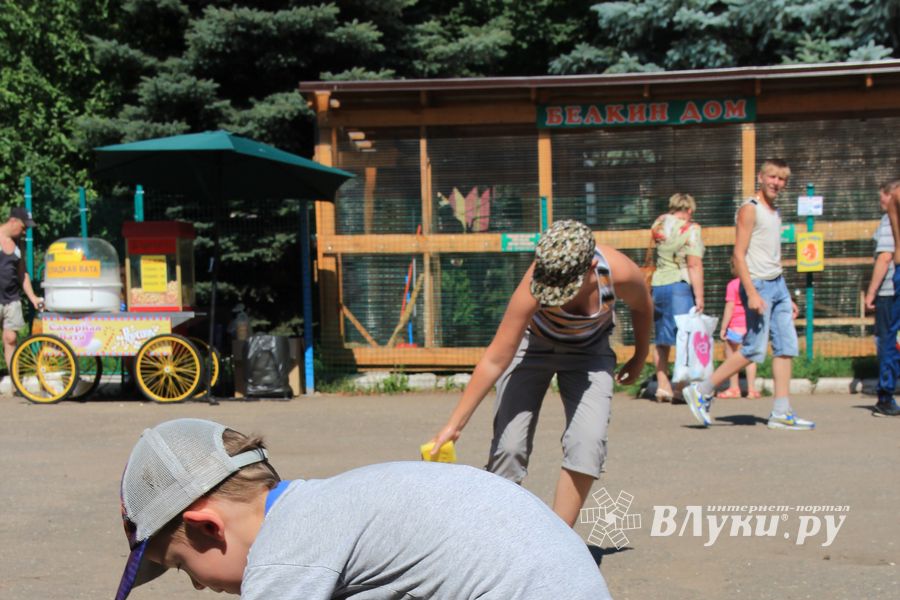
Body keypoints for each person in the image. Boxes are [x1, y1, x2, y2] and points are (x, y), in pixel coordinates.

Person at [114, 418, 613, 600]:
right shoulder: (330, 505)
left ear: (207, 526)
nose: (201, 586)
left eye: (183, 567)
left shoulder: (283, 556)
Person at [429, 219, 652, 527]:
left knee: (587, 443)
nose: (552, 295)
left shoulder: (620, 273)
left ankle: (557, 542)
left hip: (590, 353)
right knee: (509, 448)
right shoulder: (537, 279)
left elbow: (644, 308)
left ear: (590, 268)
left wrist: (640, 357)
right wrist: (454, 425)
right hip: (532, 347)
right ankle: (498, 537)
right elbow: (496, 357)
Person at [683, 159, 815, 430]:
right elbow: (738, 256)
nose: (776, 183)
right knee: (754, 349)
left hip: (777, 285)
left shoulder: (774, 212)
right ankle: (702, 390)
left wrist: (786, 296)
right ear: (761, 177)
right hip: (758, 285)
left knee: (786, 347)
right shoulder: (749, 209)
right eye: (772, 177)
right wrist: (752, 293)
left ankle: (781, 411)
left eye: (782, 179)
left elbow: (771, 257)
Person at [648, 193, 705, 401]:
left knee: (662, 340)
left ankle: (663, 386)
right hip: (680, 286)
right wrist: (699, 296)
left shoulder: (658, 224)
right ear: (690, 210)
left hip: (658, 286)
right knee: (685, 339)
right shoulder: (692, 229)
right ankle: (680, 388)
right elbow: (694, 264)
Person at [864, 179, 900, 416]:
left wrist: (871, 291)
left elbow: (886, 257)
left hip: (889, 291)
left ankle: (885, 396)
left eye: (883, 197)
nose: (881, 201)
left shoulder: (889, 220)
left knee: (888, 341)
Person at [0, 207, 42, 378]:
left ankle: (15, 381)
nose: (24, 231)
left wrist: (32, 297)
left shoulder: (19, 244)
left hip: (11, 298)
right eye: (24, 227)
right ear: (13, 221)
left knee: (10, 338)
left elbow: (22, 272)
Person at [717, 264, 759, 399]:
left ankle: (734, 388)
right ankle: (752, 389)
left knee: (732, 357)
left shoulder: (732, 285)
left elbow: (729, 307)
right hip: (750, 325)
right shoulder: (754, 285)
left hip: (735, 327)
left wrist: (723, 327)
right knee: (749, 358)